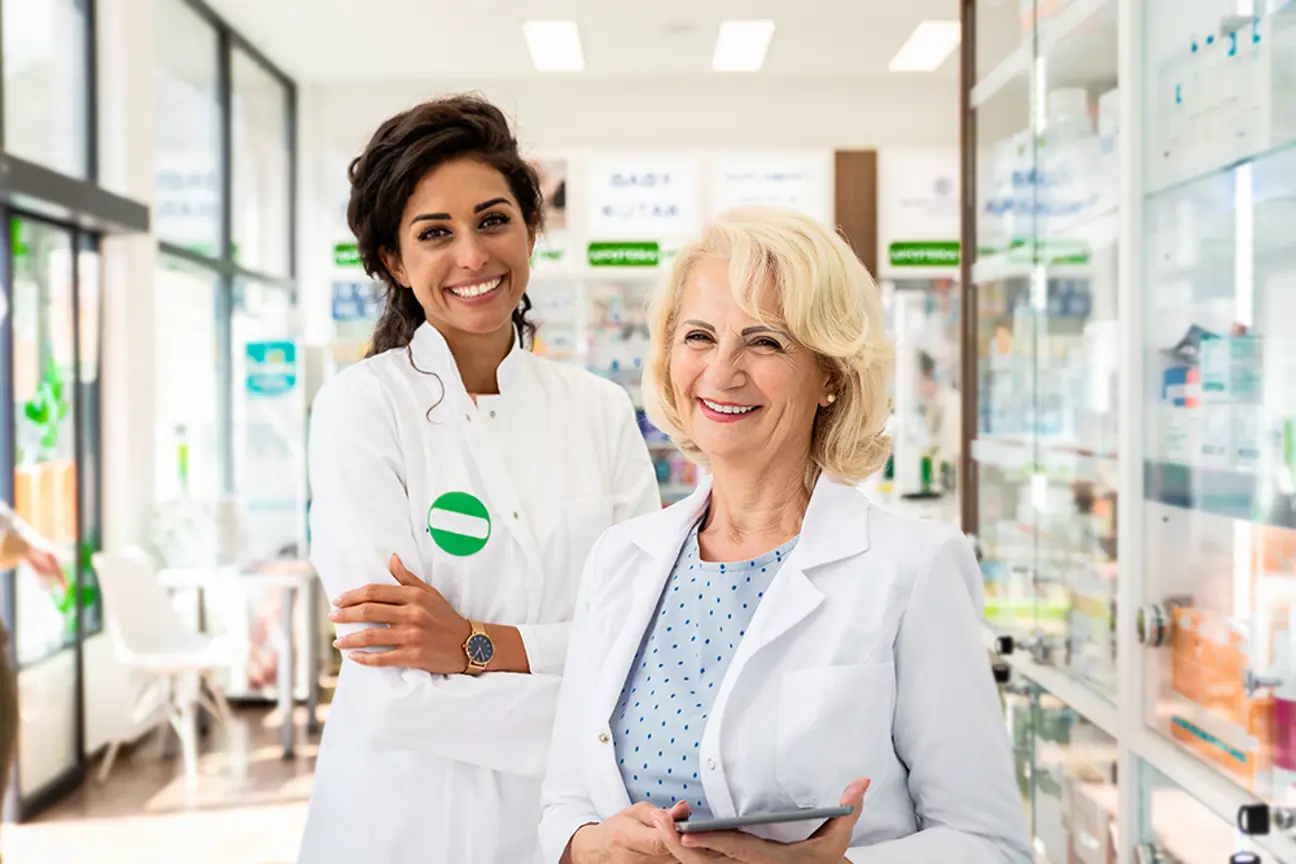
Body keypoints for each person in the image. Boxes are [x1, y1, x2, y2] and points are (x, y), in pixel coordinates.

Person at [539, 206, 1031, 863]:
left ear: (831, 373)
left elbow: (990, 844)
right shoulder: (622, 558)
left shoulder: (913, 568)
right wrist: (593, 847)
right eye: (699, 336)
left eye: (765, 341)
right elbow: (566, 804)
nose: (722, 371)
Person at [298, 94, 661, 863]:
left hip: (568, 829)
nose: (473, 255)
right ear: (395, 260)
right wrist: (586, 692)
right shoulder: (363, 409)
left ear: (531, 229)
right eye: (436, 233)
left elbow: (639, 646)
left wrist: (472, 645)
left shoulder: (597, 410)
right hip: (402, 822)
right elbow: (396, 693)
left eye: (493, 220)